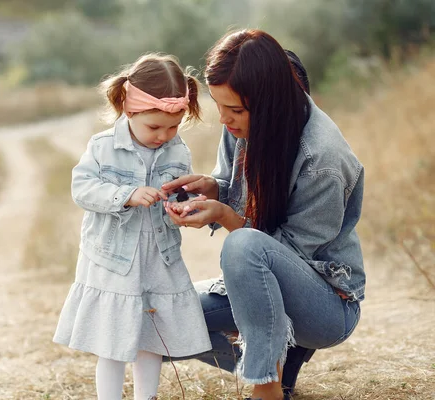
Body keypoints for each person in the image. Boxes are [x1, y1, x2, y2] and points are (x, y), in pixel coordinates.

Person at [163, 29, 365, 400]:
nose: (224, 119)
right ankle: (280, 358)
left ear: (270, 102)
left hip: (324, 303)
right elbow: (237, 193)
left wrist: (225, 215)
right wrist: (214, 188)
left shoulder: (323, 160)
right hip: (259, 283)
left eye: (235, 109)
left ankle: (266, 388)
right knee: (157, 318)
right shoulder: (243, 124)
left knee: (241, 245)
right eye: (218, 105)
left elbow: (283, 255)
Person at [53, 53, 212, 400]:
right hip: (113, 260)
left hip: (157, 257)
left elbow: (179, 189)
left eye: (173, 127)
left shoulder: (177, 150)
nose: (164, 135)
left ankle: (147, 396)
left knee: (150, 333)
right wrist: (126, 194)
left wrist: (182, 205)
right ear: (130, 109)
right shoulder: (102, 147)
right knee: (111, 340)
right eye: (154, 127)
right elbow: (83, 189)